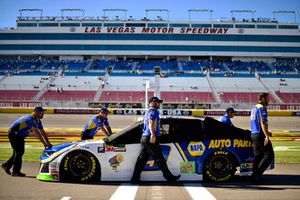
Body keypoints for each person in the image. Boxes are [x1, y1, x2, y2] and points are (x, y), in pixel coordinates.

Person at [131, 97, 181, 183]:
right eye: (158, 102)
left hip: (144, 137)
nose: (159, 104)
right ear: (152, 102)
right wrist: (153, 135)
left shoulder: (148, 111)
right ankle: (169, 177)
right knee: (160, 158)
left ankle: (134, 178)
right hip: (150, 137)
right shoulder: (153, 111)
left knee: (142, 159)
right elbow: (151, 122)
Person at [1, 107, 52, 177]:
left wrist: (48, 142)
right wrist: (44, 143)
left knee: (18, 153)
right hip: (13, 134)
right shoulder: (29, 119)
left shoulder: (38, 121)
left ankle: (6, 165)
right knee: (19, 152)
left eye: (43, 112)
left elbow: (43, 132)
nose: (43, 114)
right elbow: (37, 133)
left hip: (20, 136)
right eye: (41, 112)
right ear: (36, 112)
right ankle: (15, 172)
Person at [250, 92, 274, 181]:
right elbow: (263, 122)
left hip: (254, 134)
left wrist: (267, 132)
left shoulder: (254, 107)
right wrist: (266, 135)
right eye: (268, 98)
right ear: (263, 98)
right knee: (269, 154)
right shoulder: (262, 108)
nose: (269, 100)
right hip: (260, 135)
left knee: (258, 155)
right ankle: (257, 175)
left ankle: (254, 175)